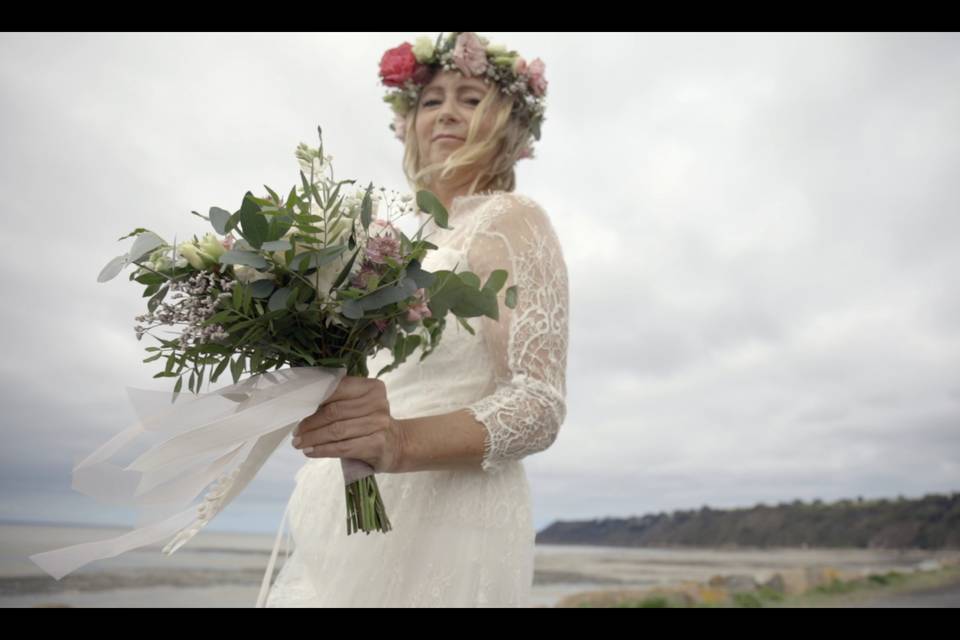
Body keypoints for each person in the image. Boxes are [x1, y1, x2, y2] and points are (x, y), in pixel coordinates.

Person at [261, 31, 569, 608]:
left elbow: (538, 403)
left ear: (508, 122)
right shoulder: (385, 239)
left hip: (448, 522)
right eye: (431, 100)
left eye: (471, 99)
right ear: (408, 123)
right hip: (346, 509)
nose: (447, 111)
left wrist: (397, 441)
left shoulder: (511, 219)